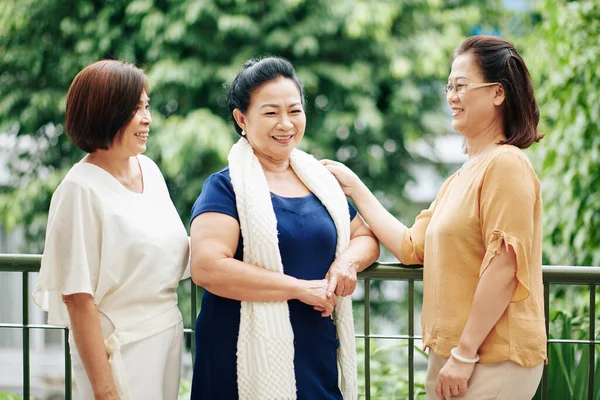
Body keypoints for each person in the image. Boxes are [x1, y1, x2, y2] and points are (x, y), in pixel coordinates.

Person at [323, 35, 546, 400]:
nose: (451, 97)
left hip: (491, 356)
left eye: (461, 85)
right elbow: (411, 247)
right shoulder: (461, 176)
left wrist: (464, 353)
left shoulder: (507, 164)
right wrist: (354, 187)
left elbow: (505, 267)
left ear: (498, 93)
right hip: (456, 355)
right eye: (449, 86)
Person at [189, 57, 380, 400]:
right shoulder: (226, 187)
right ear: (241, 118)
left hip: (314, 351)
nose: (285, 123)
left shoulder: (321, 181)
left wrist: (346, 264)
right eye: (270, 112)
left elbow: (365, 237)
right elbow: (207, 267)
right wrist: (297, 289)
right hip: (239, 355)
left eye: (294, 110)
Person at [33, 60, 190, 400]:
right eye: (135, 109)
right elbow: (77, 299)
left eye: (146, 106)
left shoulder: (148, 169)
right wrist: (106, 391)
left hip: (165, 338)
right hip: (118, 352)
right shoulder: (78, 190)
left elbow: (174, 250)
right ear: (106, 112)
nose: (147, 118)